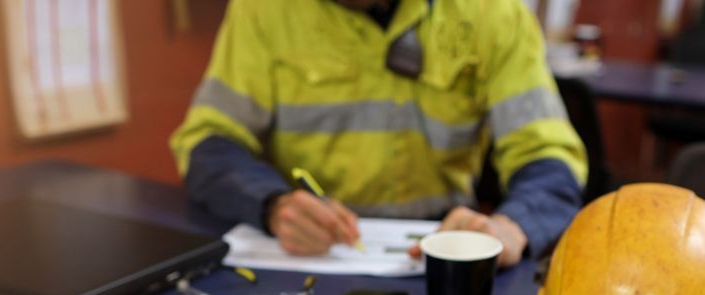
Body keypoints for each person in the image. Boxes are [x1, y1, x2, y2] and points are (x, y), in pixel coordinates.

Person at [171, 0, 587, 268]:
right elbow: (208, 142)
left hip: (444, 254)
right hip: (307, 259)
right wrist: (273, 205)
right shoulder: (264, 10)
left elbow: (549, 154)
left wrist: (511, 227)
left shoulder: (492, 13)